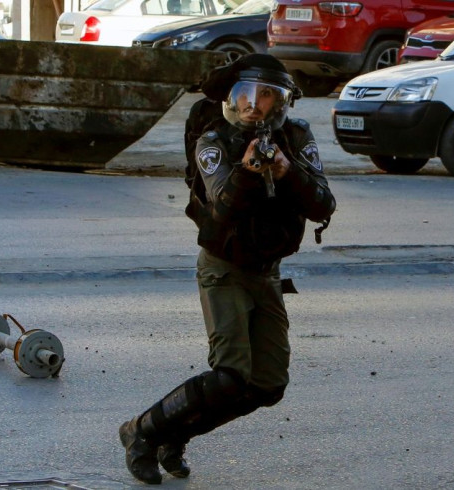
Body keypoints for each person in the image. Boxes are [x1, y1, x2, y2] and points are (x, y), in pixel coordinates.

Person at [118, 54, 337, 485]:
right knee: (231, 375)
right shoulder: (213, 140)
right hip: (224, 268)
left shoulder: (295, 136)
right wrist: (248, 172)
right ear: (230, 100)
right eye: (244, 96)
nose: (253, 106)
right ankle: (141, 431)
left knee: (268, 385)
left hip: (267, 272)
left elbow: (323, 205)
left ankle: (174, 435)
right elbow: (221, 209)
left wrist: (286, 171)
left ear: (281, 103)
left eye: (266, 96)